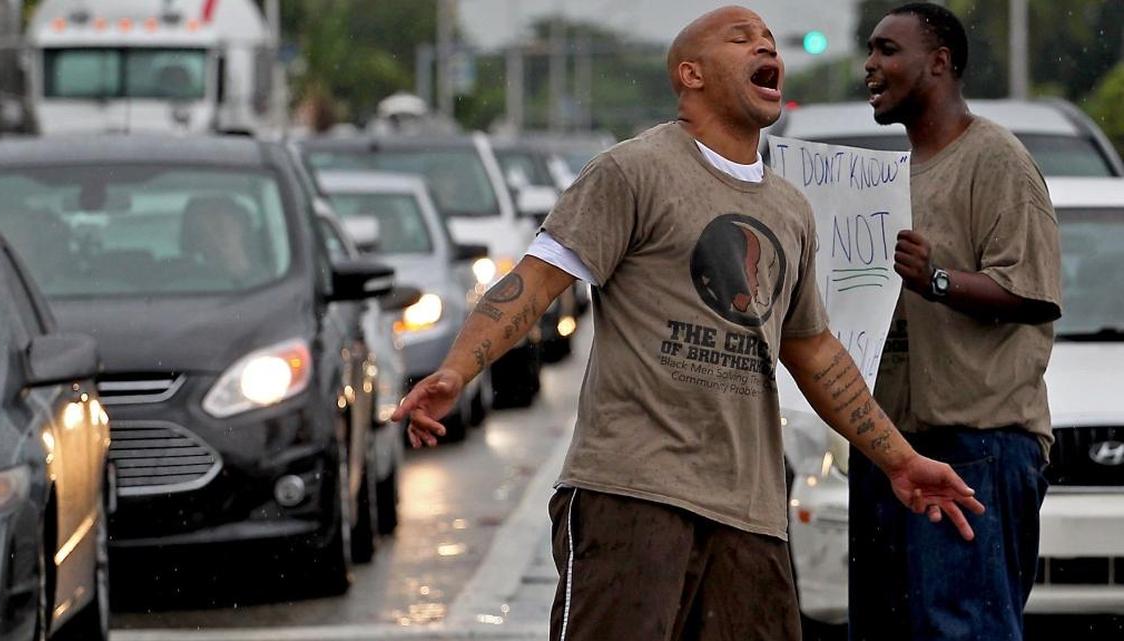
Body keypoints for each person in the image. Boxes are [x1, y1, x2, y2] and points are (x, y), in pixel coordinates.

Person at [394, 6, 984, 640]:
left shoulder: (789, 209)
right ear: (691, 74)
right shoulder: (632, 172)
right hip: (631, 493)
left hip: (751, 514)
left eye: (769, 40)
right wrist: (456, 370)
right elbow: (536, 281)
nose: (767, 48)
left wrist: (898, 460)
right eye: (743, 39)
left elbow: (812, 349)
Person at [851, 4, 1063, 640]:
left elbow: (1032, 293)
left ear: (939, 62)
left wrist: (937, 279)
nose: (870, 65)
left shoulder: (995, 159)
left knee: (963, 630)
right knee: (884, 627)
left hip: (977, 445)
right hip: (891, 447)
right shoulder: (888, 179)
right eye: (871, 50)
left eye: (888, 50)